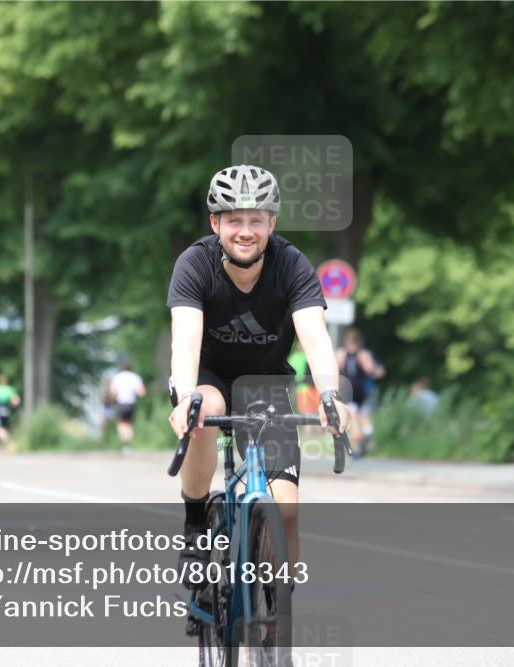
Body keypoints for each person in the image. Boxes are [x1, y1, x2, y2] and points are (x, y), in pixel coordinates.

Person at [167, 164, 351, 586]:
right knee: (203, 410)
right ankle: (196, 526)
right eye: (234, 219)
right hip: (208, 377)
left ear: (272, 222)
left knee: (286, 511)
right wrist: (185, 399)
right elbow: (185, 342)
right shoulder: (194, 264)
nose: (245, 230)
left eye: (256, 219)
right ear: (216, 223)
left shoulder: (291, 264)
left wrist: (330, 394)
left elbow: (315, 338)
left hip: (267, 382)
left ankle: (269, 625)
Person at [336, 328, 385, 457]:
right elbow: (372, 370)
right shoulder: (351, 354)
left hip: (357, 390)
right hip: (355, 390)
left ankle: (362, 440)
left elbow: (373, 370)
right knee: (357, 414)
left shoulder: (357, 354)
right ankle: (363, 439)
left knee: (358, 414)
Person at [109, 361, 146, 455]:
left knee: (121, 424)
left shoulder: (118, 377)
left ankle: (125, 443)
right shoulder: (135, 377)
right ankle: (128, 444)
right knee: (129, 424)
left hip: (121, 403)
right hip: (131, 403)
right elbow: (141, 392)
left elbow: (113, 391)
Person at [0, 374, 20, 452]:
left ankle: (6, 439)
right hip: (7, 408)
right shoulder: (10, 389)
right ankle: (7, 444)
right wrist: (13, 405)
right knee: (6, 427)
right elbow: (16, 400)